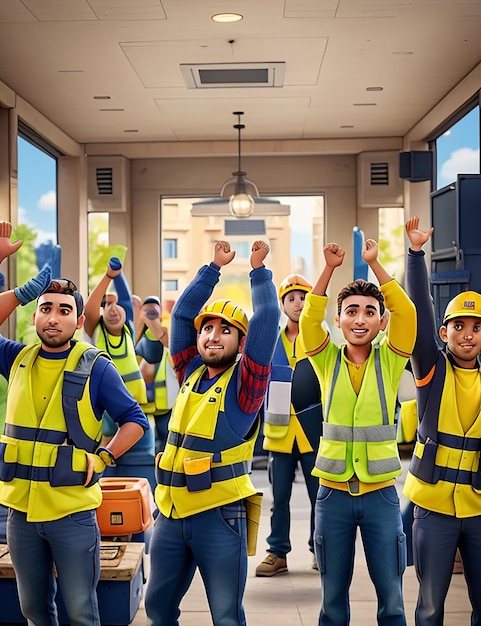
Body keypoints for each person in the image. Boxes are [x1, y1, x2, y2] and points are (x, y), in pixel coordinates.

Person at [0, 226, 149, 625]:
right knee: (33, 609)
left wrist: (102, 458)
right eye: (46, 308)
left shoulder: (95, 366)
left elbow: (135, 421)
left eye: (64, 310)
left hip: (72, 512)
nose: (53, 318)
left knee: (82, 611)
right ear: (35, 315)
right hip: (20, 512)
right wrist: (12, 281)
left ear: (79, 319)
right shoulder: (16, 358)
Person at [145, 239, 280, 626]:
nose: (213, 336)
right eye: (207, 329)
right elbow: (184, 312)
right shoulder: (188, 371)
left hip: (220, 516)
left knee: (225, 615)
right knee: (158, 609)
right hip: (170, 513)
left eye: (226, 330)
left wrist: (258, 271)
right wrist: (212, 269)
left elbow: (268, 318)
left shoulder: (246, 386)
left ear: (241, 343)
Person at [299, 237, 416, 626]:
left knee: (393, 602)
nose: (361, 318)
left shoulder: (391, 360)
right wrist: (329, 269)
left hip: (381, 496)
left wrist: (375, 265)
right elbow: (307, 320)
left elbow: (408, 313)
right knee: (332, 603)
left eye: (370, 312)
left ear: (381, 321)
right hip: (331, 496)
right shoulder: (325, 361)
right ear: (339, 320)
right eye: (351, 311)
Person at [403, 216, 481, 626]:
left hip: (480, 509)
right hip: (433, 508)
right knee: (430, 607)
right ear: (443, 332)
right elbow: (417, 309)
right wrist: (416, 255)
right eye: (458, 326)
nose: (467, 335)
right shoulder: (431, 370)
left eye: (476, 327)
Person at [256, 274, 323, 576]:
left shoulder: (320, 340)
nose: (298, 304)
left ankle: (320, 549)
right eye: (292, 298)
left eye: (304, 298)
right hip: (280, 435)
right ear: (282, 304)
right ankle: (277, 552)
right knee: (278, 498)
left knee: (319, 496)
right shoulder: (270, 341)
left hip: (313, 433)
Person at [84, 258, 156, 488]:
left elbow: (124, 298)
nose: (113, 309)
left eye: (118, 306)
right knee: (107, 469)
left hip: (135, 413)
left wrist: (118, 274)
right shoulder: (95, 332)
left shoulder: (129, 330)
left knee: (142, 470)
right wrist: (107, 277)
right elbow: (89, 308)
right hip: (106, 413)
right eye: (107, 306)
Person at [135, 295, 179, 454]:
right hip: (141, 405)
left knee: (166, 446)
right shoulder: (136, 336)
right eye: (147, 309)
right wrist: (141, 321)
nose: (150, 313)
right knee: (144, 449)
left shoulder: (166, 334)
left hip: (165, 405)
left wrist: (156, 327)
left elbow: (170, 349)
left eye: (154, 309)